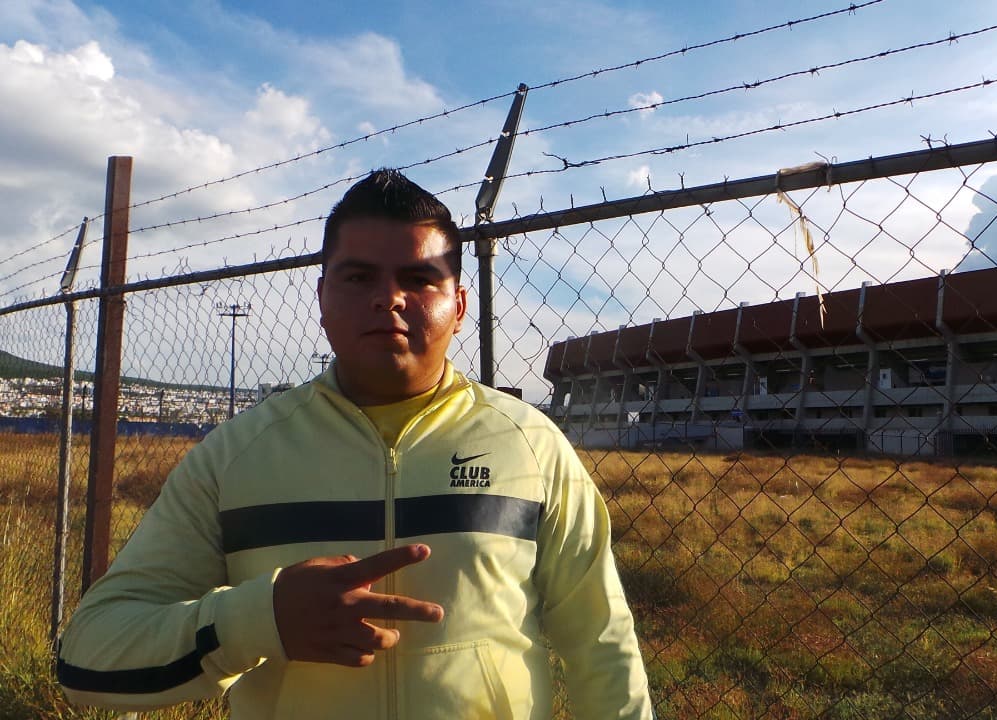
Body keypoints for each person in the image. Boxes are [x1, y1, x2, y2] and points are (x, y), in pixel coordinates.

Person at [57, 169, 654, 719]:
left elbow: (602, 645)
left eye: (419, 278)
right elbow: (89, 659)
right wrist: (257, 620)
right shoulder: (236, 456)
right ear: (321, 299)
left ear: (460, 306)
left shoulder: (530, 445)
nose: (389, 298)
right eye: (359, 276)